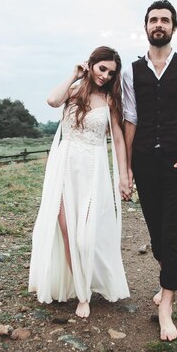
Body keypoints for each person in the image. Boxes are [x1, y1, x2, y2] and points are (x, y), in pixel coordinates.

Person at [122, 0, 177, 341]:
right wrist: (126, 168)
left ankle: (166, 303)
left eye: (165, 20)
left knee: (172, 231)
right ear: (146, 26)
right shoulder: (130, 71)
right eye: (154, 20)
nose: (159, 24)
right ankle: (169, 275)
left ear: (174, 27)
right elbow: (130, 119)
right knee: (157, 234)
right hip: (144, 161)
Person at [29, 46, 131, 318]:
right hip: (64, 167)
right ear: (91, 65)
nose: (106, 76)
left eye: (111, 73)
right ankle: (82, 293)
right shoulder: (73, 93)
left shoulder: (109, 101)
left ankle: (94, 280)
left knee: (85, 236)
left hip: (93, 170)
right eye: (102, 69)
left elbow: (119, 140)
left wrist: (123, 176)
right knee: (65, 230)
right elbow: (52, 100)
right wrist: (74, 75)